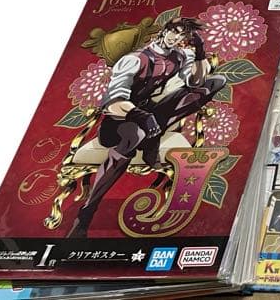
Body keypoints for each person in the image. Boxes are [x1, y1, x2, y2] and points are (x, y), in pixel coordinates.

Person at [67, 17, 226, 237]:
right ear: (165, 30)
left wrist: (199, 51)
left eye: (183, 35)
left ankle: (152, 137)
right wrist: (141, 116)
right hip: (118, 122)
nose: (176, 38)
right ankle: (86, 213)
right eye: (174, 31)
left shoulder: (180, 56)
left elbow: (196, 83)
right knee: (137, 133)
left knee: (215, 82)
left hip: (151, 114)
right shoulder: (134, 60)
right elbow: (112, 104)